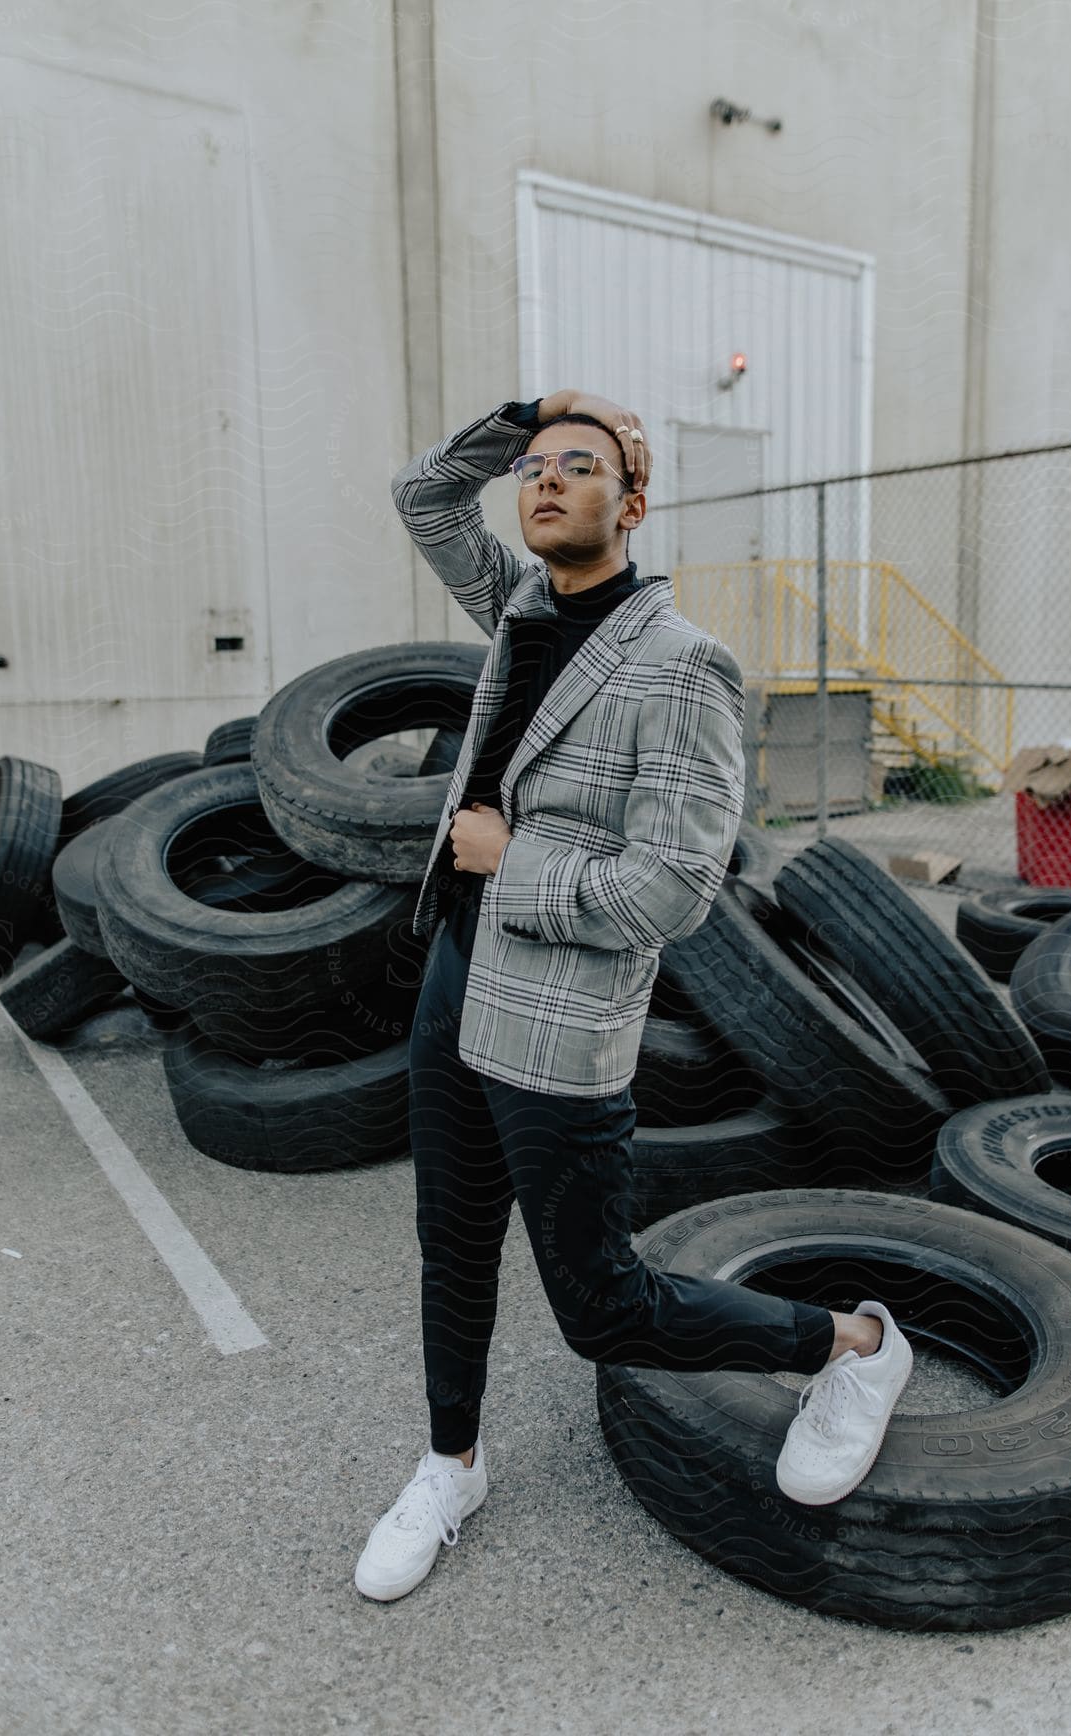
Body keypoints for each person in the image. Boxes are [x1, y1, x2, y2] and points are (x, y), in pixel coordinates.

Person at [353, 390, 912, 1604]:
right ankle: (451, 1463)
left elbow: (678, 888)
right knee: (450, 1246)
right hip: (453, 972)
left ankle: (854, 1346)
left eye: (581, 466)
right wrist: (536, 410)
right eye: (537, 468)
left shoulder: (683, 666)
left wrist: (518, 863)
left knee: (600, 1308)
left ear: (635, 505)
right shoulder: (515, 601)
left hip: (557, 1015)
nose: (546, 479)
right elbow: (422, 495)